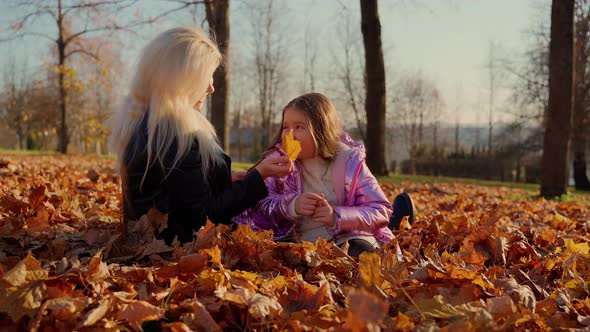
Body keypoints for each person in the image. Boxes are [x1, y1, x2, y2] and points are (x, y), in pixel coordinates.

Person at [109, 26, 292, 244]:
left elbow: (175, 193)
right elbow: (206, 216)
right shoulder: (176, 136)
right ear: (183, 80)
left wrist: (221, 179)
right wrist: (257, 176)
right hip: (172, 249)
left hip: (149, 240)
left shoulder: (143, 122)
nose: (211, 88)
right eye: (206, 78)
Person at [235, 93, 399, 257]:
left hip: (346, 238)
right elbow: (260, 207)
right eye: (285, 127)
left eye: (299, 127)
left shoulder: (349, 161)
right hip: (299, 244)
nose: (289, 135)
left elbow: (380, 210)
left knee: (360, 252)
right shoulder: (276, 162)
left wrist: (336, 216)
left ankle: (401, 215)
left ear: (321, 130)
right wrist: (292, 205)